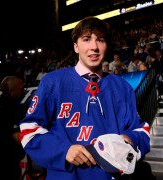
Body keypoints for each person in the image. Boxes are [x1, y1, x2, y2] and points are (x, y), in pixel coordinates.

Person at [19, 16, 150, 180]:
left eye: (100, 40)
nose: (94, 47)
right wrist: (64, 150)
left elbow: (141, 130)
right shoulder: (53, 82)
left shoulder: (122, 87)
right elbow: (29, 131)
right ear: (76, 46)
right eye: (86, 39)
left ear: (106, 46)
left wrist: (130, 138)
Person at [0, 76, 26, 180]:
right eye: (20, 87)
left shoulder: (8, 106)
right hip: (1, 167)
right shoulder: (4, 110)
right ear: (12, 91)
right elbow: (19, 138)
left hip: (5, 163)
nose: (23, 89)